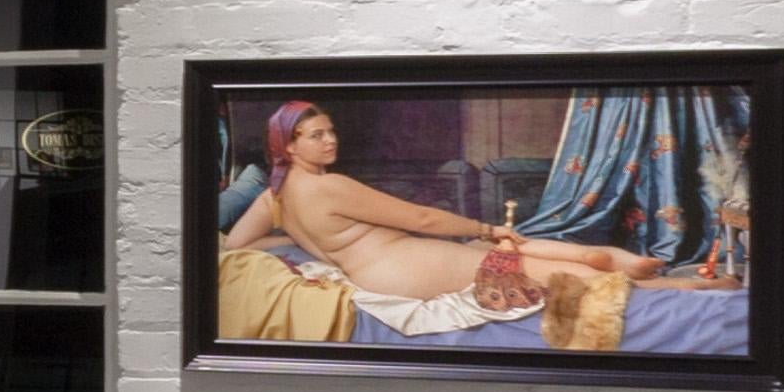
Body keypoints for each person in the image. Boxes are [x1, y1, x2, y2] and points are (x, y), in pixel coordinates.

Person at [220, 99, 651, 332]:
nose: (331, 141)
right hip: (404, 265)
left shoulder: (274, 196)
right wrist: (485, 225)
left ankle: (593, 255)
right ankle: (663, 279)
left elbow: (237, 245)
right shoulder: (330, 186)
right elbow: (422, 219)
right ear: (289, 147)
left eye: (331, 131)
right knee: (529, 268)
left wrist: (291, 242)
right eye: (317, 136)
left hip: (376, 272)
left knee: (504, 258)